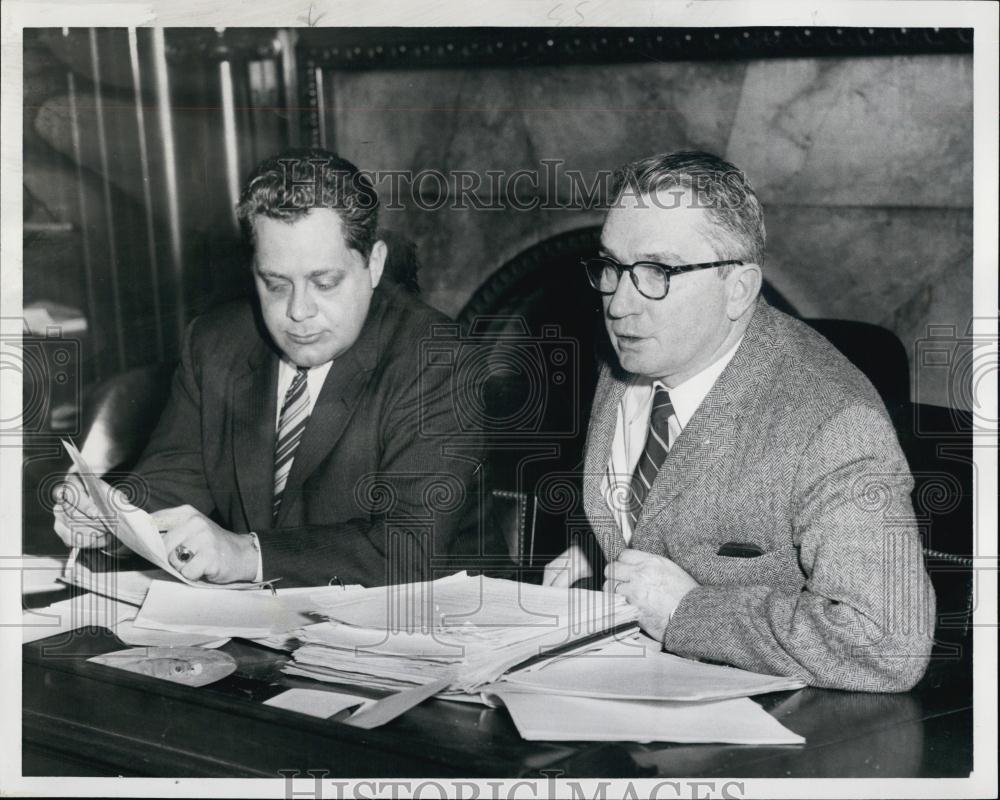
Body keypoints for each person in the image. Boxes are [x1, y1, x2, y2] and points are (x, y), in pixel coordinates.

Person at [543, 151, 935, 692]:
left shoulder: (835, 422)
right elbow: (668, 505)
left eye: (658, 271)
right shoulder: (633, 350)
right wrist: (600, 549)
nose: (618, 304)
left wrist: (687, 611)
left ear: (739, 289)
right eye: (612, 267)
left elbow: (889, 644)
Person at [54, 148, 483, 587]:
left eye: (324, 282)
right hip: (267, 617)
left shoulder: (437, 357)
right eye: (276, 284)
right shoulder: (216, 343)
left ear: (373, 264)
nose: (298, 311)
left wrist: (246, 554)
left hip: (434, 617)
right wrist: (113, 520)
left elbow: (409, 549)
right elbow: (173, 480)